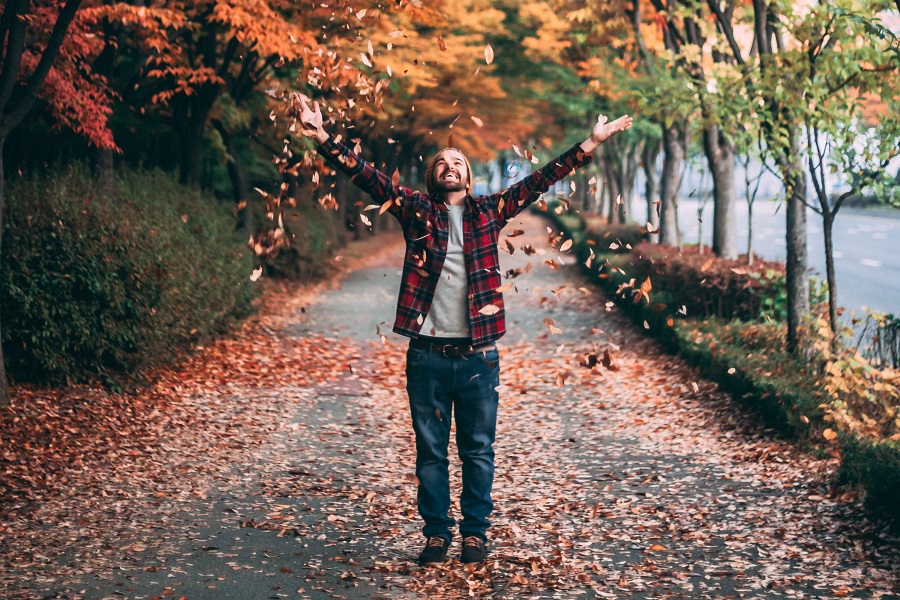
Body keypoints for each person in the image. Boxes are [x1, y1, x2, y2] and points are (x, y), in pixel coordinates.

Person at [298, 97, 632, 565]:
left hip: (478, 356)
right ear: (432, 176)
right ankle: (437, 534)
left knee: (477, 453)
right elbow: (367, 175)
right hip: (427, 355)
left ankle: (475, 534)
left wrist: (590, 143)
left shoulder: (487, 211)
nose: (449, 166)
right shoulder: (414, 208)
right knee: (430, 454)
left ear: (469, 179)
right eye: (442, 162)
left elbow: (540, 180)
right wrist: (322, 137)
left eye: (458, 162)